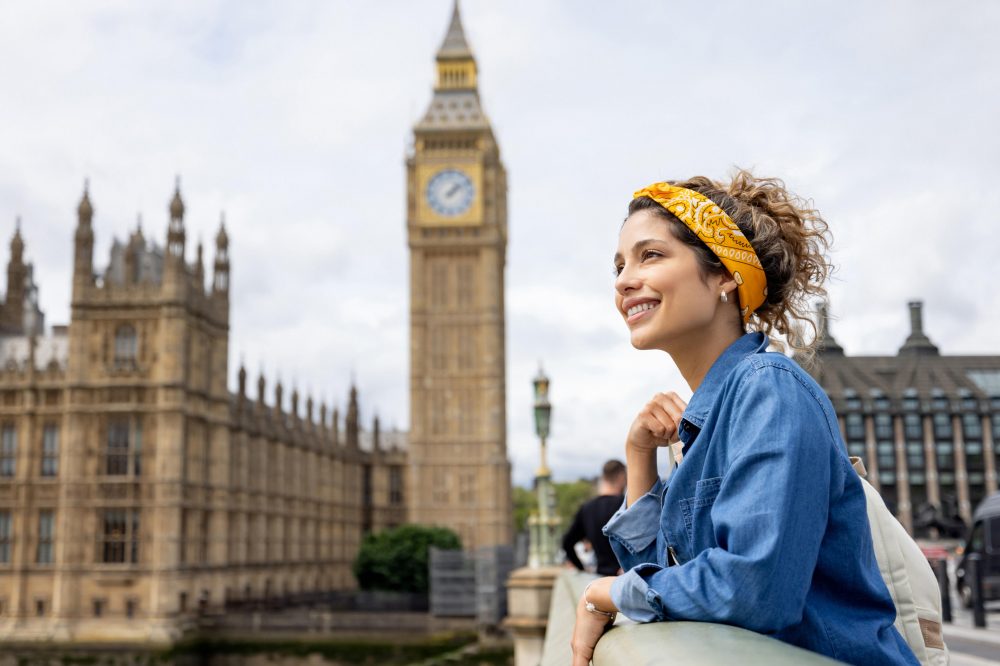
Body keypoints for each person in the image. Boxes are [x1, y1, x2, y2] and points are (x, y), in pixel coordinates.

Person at [570, 172, 918, 665]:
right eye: (619, 265)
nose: (624, 280)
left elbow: (755, 589)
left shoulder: (768, 389)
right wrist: (640, 456)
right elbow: (656, 582)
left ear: (725, 275)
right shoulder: (709, 421)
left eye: (651, 255)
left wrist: (601, 593)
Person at [562, 460, 627, 576]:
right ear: (621, 476)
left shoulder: (587, 508)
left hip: (600, 579)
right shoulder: (626, 504)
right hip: (626, 578)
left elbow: (567, 543)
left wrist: (581, 568)